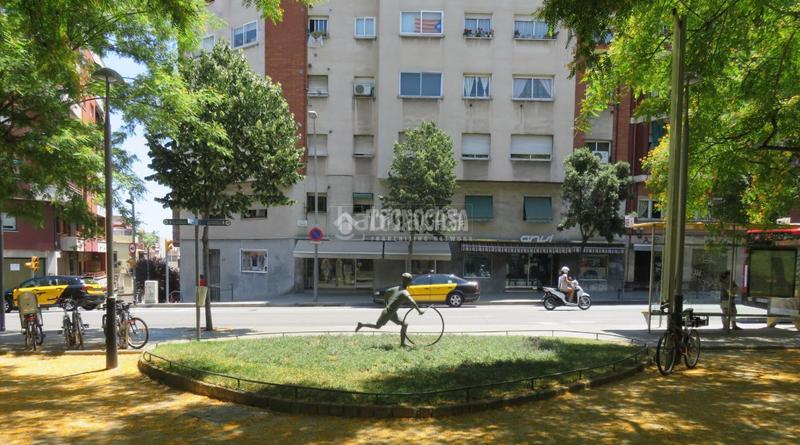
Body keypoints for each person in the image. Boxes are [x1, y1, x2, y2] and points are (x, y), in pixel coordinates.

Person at [356, 272, 425, 347]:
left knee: (405, 324)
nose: (410, 282)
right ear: (407, 281)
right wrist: (419, 311)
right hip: (388, 313)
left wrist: (386, 303)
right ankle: (362, 324)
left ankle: (402, 344)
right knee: (377, 326)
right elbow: (412, 301)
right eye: (410, 280)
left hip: (392, 313)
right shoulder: (404, 292)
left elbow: (387, 292)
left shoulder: (397, 288)